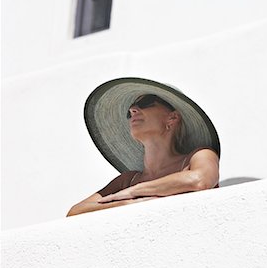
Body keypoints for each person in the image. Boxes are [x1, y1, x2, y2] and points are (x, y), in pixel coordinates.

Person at [66, 77, 220, 217]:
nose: (132, 110)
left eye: (145, 103)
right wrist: (126, 203)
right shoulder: (128, 179)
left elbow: (201, 180)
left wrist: (135, 191)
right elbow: (75, 212)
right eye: (129, 112)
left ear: (172, 117)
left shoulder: (199, 156)